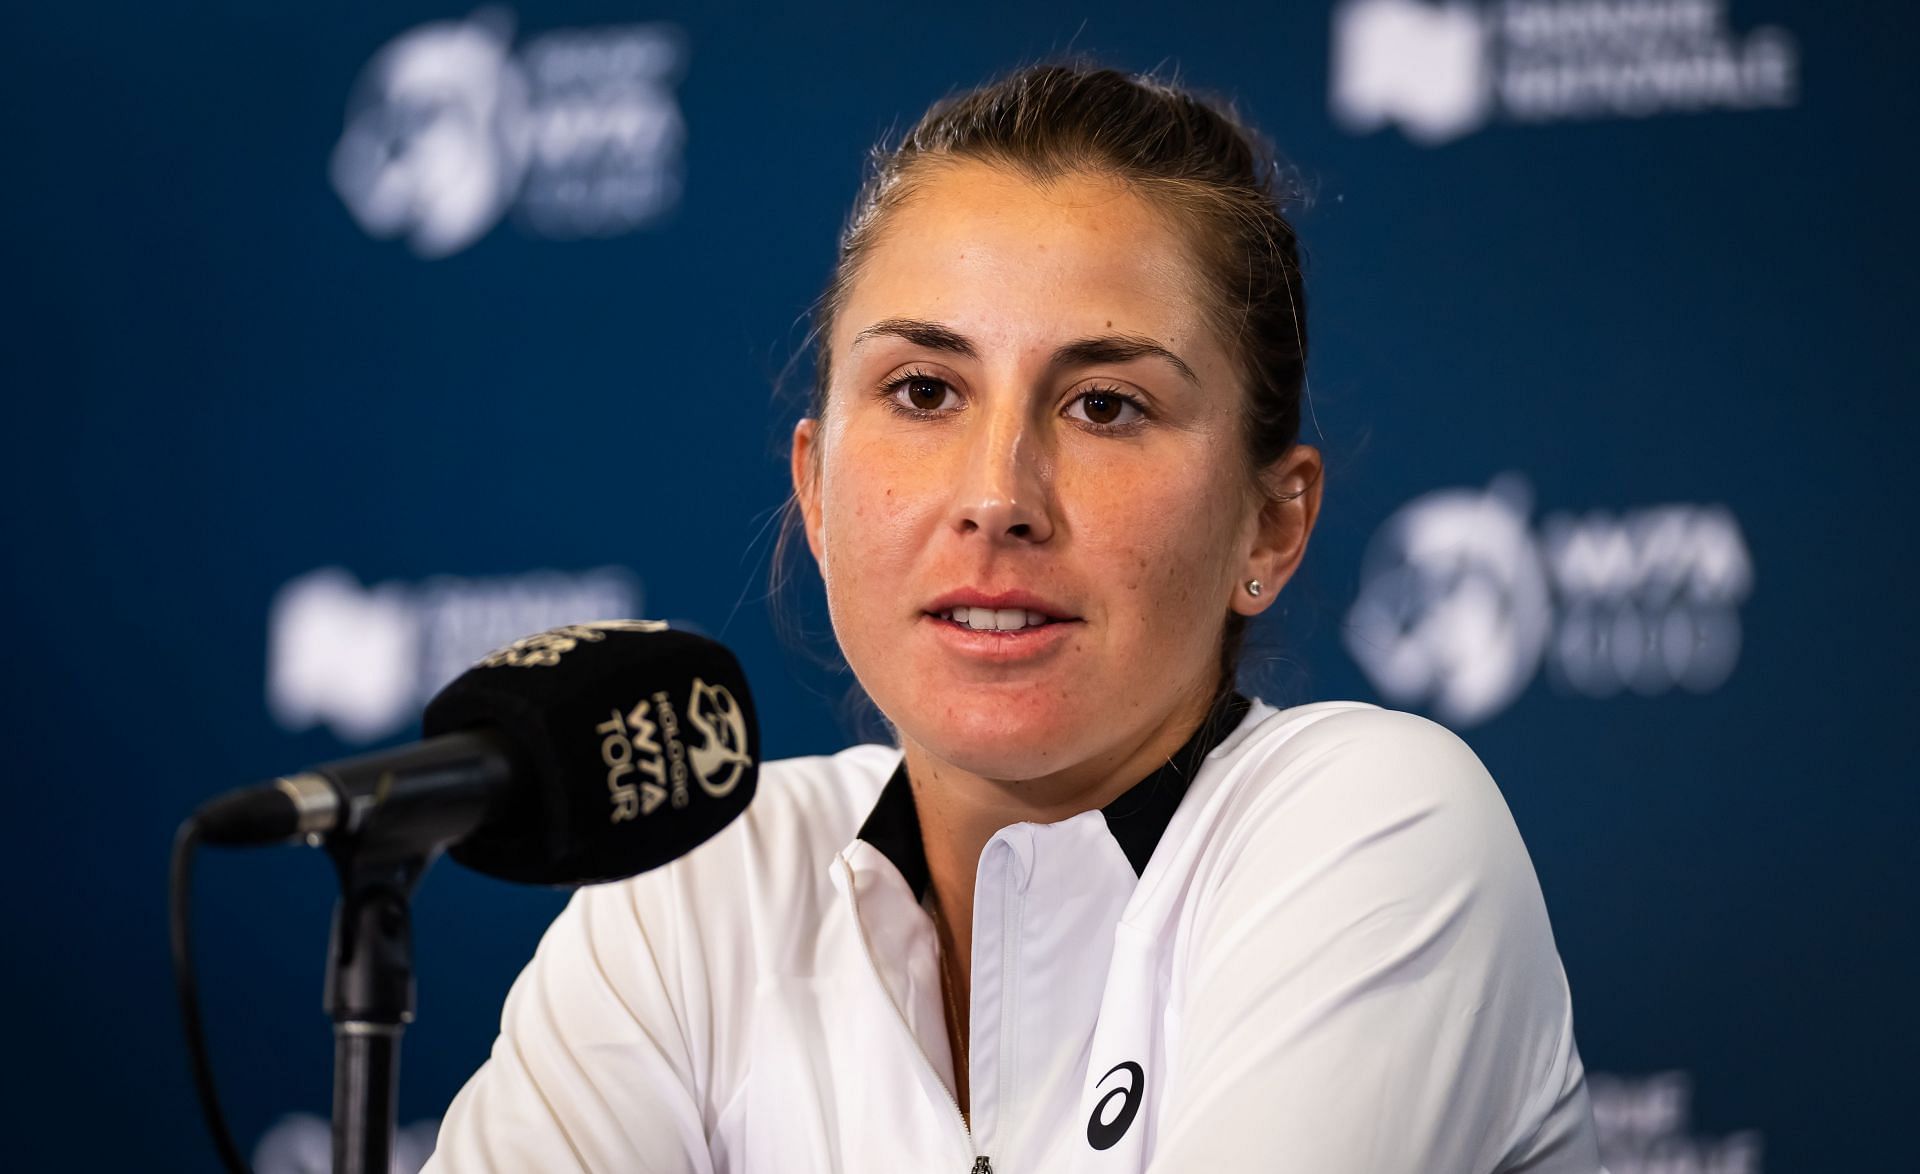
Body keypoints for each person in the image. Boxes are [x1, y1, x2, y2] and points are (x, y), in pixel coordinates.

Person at [424, 64, 1605, 1173]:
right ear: (817, 490)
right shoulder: (693, 891)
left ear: (1271, 524)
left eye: (1105, 404)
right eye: (924, 391)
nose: (998, 496)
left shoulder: (1378, 827)